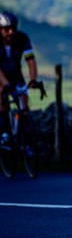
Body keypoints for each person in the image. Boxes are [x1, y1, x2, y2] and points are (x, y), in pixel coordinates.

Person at [0, 11, 40, 144]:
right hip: (1, 75)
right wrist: (5, 85)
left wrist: (33, 79)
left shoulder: (22, 38)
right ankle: (4, 132)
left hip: (16, 75)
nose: (11, 31)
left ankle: (24, 140)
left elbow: (31, 61)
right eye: (7, 29)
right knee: (2, 97)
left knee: (24, 105)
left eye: (14, 28)